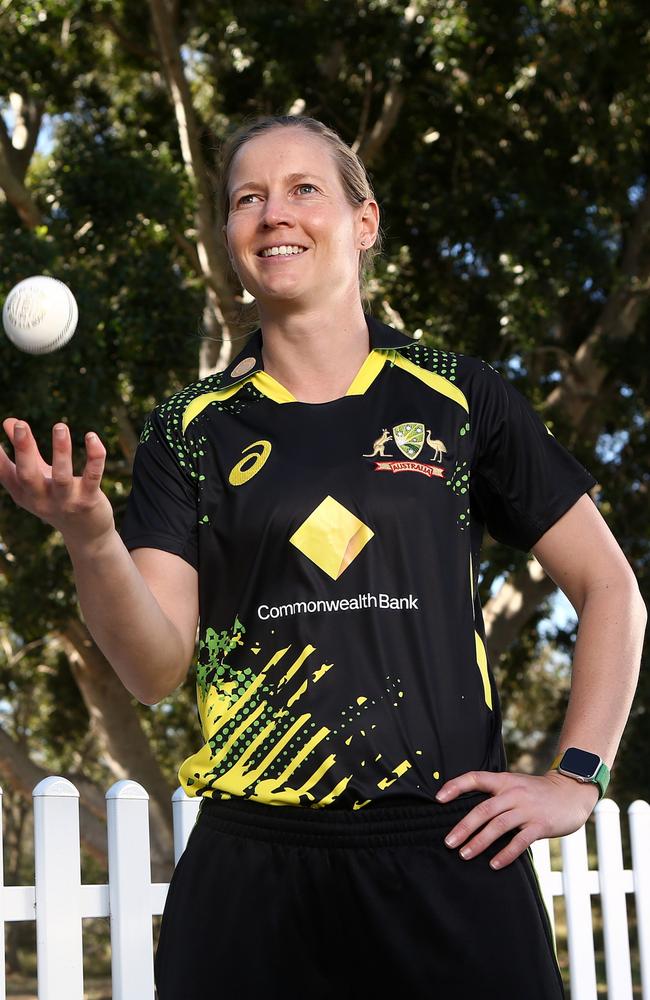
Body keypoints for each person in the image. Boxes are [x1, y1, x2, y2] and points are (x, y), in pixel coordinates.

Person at [0, 115, 645, 1000]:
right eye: (247, 199)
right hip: (250, 872)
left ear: (364, 221)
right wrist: (91, 536)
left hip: (448, 852)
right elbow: (154, 670)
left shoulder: (462, 398)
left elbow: (610, 586)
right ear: (229, 239)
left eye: (305, 189)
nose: (275, 213)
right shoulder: (190, 430)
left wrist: (579, 777)